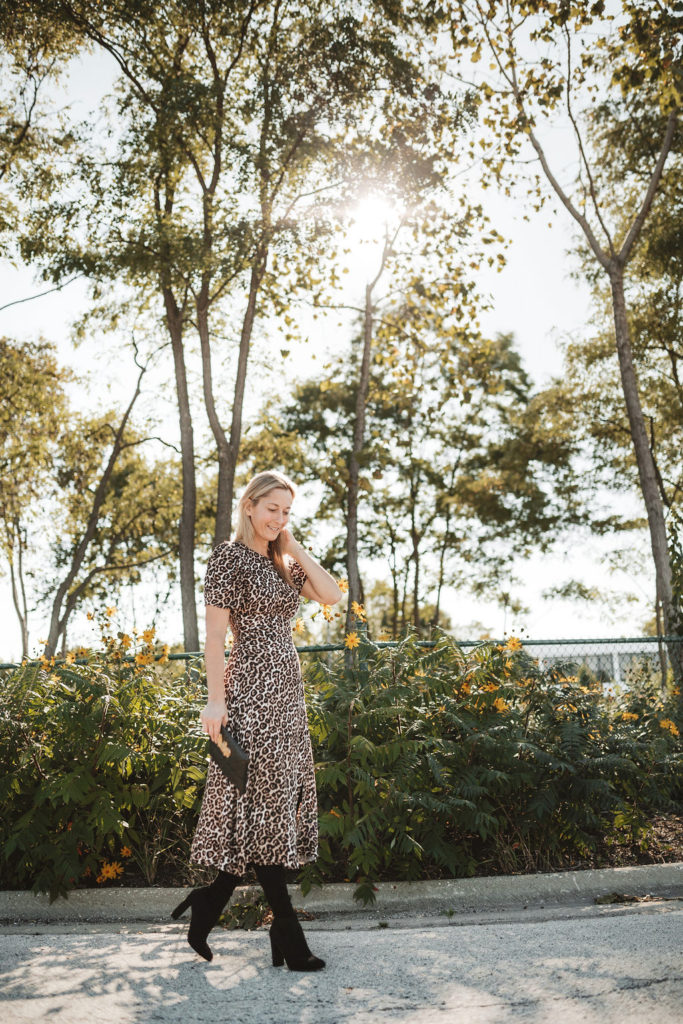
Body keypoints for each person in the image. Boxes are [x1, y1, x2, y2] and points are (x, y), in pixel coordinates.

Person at [171, 470, 342, 970]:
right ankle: (289, 938)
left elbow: (330, 595)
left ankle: (211, 903)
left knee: (270, 808)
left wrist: (291, 543)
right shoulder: (228, 557)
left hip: (287, 695)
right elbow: (215, 640)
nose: (278, 518)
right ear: (249, 505)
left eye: (287, 511)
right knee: (262, 806)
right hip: (250, 692)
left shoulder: (280, 559)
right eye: (272, 509)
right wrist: (215, 701)